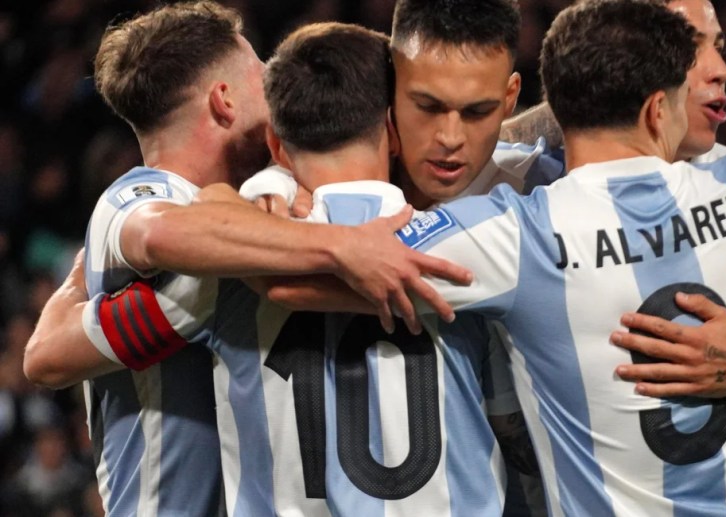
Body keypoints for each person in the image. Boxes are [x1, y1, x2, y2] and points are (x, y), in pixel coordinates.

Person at [392, 0, 726, 514]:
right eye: (691, 47)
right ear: (656, 101)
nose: (717, 69)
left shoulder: (521, 220)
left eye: (718, 45)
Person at [22, 2, 470, 514]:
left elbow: (49, 353)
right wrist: (342, 246)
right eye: (261, 73)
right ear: (225, 100)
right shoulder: (147, 196)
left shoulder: (254, 219)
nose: (277, 92)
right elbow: (157, 235)